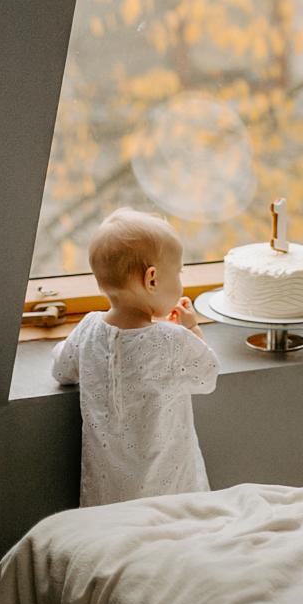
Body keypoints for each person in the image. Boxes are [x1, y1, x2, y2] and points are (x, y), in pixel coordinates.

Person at [51, 208, 219, 506]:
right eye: (178, 272)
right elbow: (207, 375)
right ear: (152, 279)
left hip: (108, 496)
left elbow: (62, 370)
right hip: (171, 496)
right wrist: (191, 327)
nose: (181, 281)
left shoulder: (88, 329)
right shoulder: (171, 341)